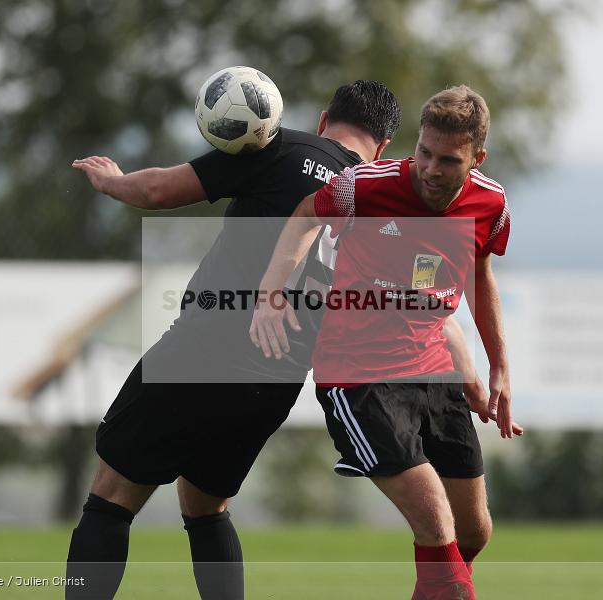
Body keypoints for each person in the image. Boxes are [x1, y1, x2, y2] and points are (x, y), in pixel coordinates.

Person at [66, 80, 403, 600]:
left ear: (322, 120)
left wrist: (112, 182)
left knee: (110, 496)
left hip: (206, 350)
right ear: (382, 147)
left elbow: (157, 191)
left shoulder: (283, 148)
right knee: (205, 509)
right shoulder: (379, 199)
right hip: (279, 379)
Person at [250, 85, 519, 600]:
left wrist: (498, 367)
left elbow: (480, 276)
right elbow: (307, 214)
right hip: (360, 378)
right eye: (423, 153)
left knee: (473, 532)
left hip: (433, 372)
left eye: (448, 160)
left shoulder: (492, 204)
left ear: (476, 158)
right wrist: (271, 294)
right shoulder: (365, 187)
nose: (430, 169)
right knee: (437, 526)